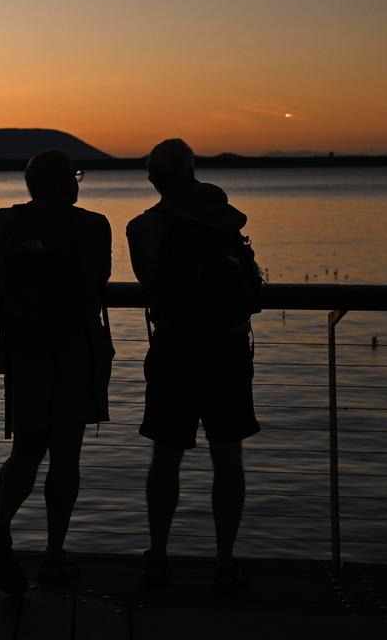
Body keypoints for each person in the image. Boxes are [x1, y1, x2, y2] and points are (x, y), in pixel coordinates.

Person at [126, 138, 261, 591]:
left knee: (166, 457)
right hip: (227, 348)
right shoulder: (225, 218)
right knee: (228, 457)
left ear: (152, 179)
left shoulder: (144, 227)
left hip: (175, 349)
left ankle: (159, 555)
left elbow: (150, 281)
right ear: (192, 171)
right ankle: (225, 560)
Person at [0, 151, 112, 595]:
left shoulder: (4, 222)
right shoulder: (94, 226)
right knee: (66, 456)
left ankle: (1, 525)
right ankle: (54, 556)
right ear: (68, 184)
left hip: (25, 351)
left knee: (26, 449)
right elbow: (99, 277)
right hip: (76, 349)